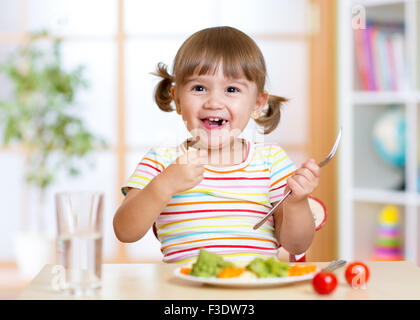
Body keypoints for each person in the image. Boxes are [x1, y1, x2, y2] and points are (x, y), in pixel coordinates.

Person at [113, 26, 320, 264]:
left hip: (254, 290)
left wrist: (296, 202)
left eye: (232, 89)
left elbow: (297, 244)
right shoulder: (161, 160)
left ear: (257, 103)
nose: (213, 102)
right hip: (186, 292)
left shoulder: (271, 160)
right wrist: (163, 185)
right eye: (199, 88)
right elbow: (125, 231)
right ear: (177, 98)